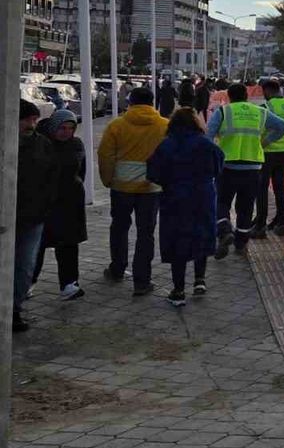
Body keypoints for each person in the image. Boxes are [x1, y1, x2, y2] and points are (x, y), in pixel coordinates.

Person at [98, 86, 170, 296]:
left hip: (121, 186)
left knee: (119, 228)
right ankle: (142, 281)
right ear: (152, 102)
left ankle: (117, 269)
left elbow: (105, 155)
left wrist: (107, 179)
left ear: (130, 102)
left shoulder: (116, 125)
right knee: (146, 233)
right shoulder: (164, 125)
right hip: (151, 187)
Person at [148, 108, 223, 307]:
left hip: (175, 197)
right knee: (201, 234)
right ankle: (200, 280)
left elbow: (153, 172)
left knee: (177, 240)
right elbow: (218, 165)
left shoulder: (166, 145)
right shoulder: (206, 144)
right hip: (202, 196)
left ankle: (178, 290)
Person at [206, 83, 284, 258]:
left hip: (227, 166)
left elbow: (208, 136)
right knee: (245, 207)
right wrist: (264, 142)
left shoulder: (223, 112)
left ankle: (224, 230)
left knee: (221, 202)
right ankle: (241, 245)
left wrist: (212, 157)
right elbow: (283, 126)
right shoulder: (260, 112)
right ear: (246, 96)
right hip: (252, 168)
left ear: (229, 96)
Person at [31, 110, 88, 302]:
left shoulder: (76, 144)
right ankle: (28, 282)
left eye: (70, 128)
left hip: (70, 203)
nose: (66, 132)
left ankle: (69, 283)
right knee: (36, 245)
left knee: (68, 244)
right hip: (44, 203)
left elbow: (81, 170)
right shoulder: (41, 144)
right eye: (62, 128)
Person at [14, 100, 52, 332]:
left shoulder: (42, 144)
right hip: (9, 215)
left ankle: (14, 310)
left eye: (35, 120)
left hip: (33, 216)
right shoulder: (9, 142)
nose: (31, 124)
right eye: (27, 120)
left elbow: (52, 176)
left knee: (25, 265)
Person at [258, 79, 284, 237]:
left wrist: (263, 143)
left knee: (261, 189)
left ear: (267, 91)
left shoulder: (266, 107)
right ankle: (282, 222)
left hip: (266, 153)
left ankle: (260, 224)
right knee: (280, 188)